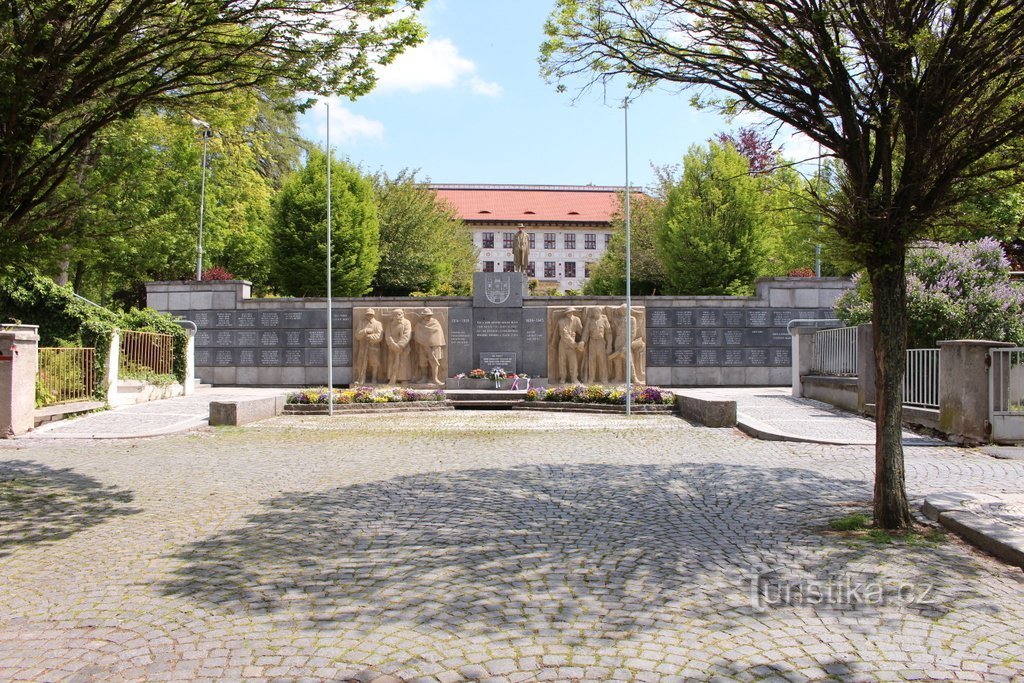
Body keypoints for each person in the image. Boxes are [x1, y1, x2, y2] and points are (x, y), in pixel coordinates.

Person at [413, 308, 446, 385]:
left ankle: (435, 378)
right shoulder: (419, 324)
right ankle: (424, 378)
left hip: (435, 346)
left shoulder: (435, 323)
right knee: (423, 362)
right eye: (427, 315)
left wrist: (434, 346)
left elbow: (438, 335)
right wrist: (423, 343)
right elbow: (416, 335)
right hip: (423, 346)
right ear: (423, 316)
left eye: (430, 315)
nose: (428, 317)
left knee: (434, 362)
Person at [580, 306, 612, 384]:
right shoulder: (589, 321)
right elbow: (586, 332)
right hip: (592, 342)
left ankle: (604, 378)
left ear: (600, 312)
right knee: (592, 361)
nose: (595, 313)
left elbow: (608, 333)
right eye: (594, 312)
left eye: (597, 312)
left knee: (602, 361)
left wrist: (609, 345)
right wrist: (583, 341)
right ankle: (591, 378)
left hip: (601, 342)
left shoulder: (604, 320)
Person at [353, 308, 383, 385]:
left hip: (374, 347)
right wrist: (365, 330)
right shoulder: (361, 323)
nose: (369, 316)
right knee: (361, 363)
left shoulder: (378, 324)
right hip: (363, 347)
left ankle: (374, 379)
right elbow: (357, 336)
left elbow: (380, 336)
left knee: (374, 364)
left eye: (371, 314)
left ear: (373, 315)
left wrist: (370, 337)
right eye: (368, 314)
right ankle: (361, 378)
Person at [556, 307, 584, 384]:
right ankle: (563, 378)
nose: (570, 313)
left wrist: (583, 341)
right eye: (568, 312)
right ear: (565, 313)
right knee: (562, 362)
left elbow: (581, 331)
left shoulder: (576, 319)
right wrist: (576, 345)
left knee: (573, 362)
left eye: (571, 312)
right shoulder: (561, 321)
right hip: (563, 344)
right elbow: (564, 335)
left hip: (572, 346)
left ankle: (574, 378)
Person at [385, 308, 413, 385]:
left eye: (399, 314)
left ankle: (404, 379)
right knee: (392, 362)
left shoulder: (407, 323)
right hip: (392, 346)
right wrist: (392, 344)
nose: (398, 316)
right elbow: (388, 335)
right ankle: (392, 378)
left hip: (403, 347)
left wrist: (400, 345)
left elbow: (407, 335)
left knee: (403, 362)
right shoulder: (390, 324)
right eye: (395, 315)